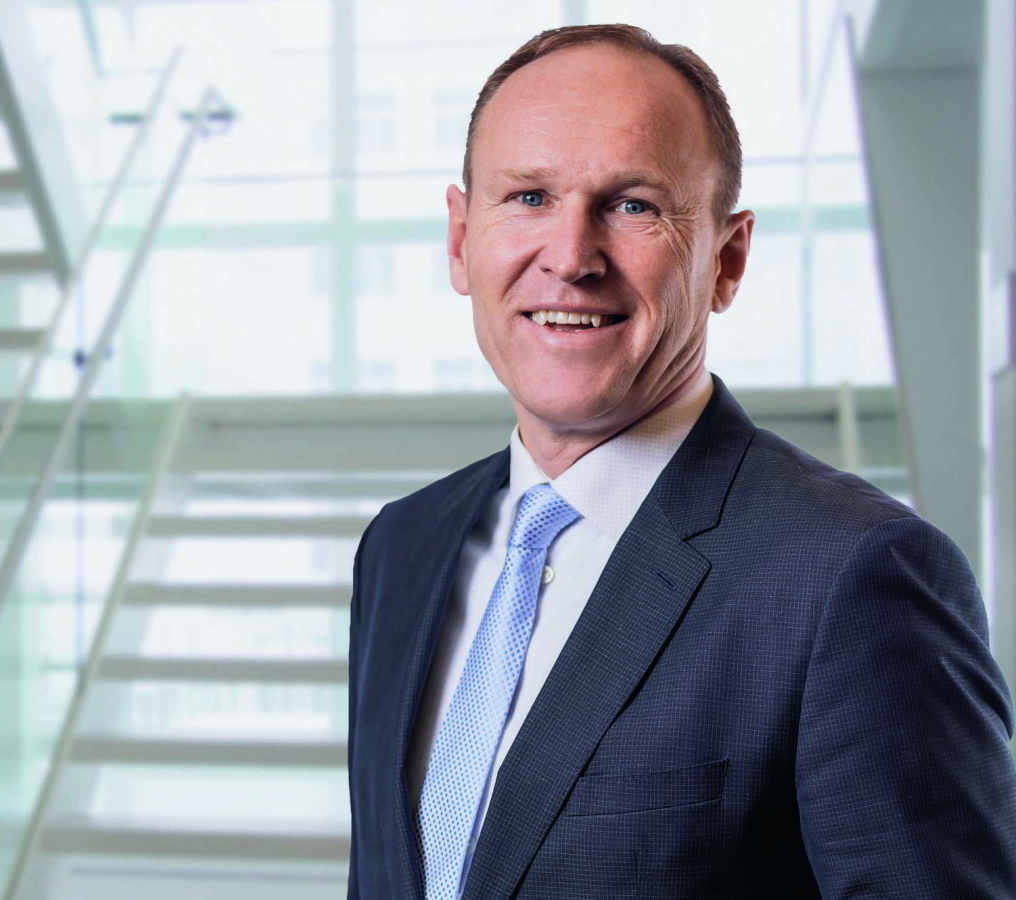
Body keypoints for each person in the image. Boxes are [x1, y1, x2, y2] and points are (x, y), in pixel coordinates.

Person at [346, 23, 1016, 900]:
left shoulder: (852, 577)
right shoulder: (401, 547)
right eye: (529, 197)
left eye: (633, 206)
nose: (570, 258)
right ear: (460, 238)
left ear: (727, 261)